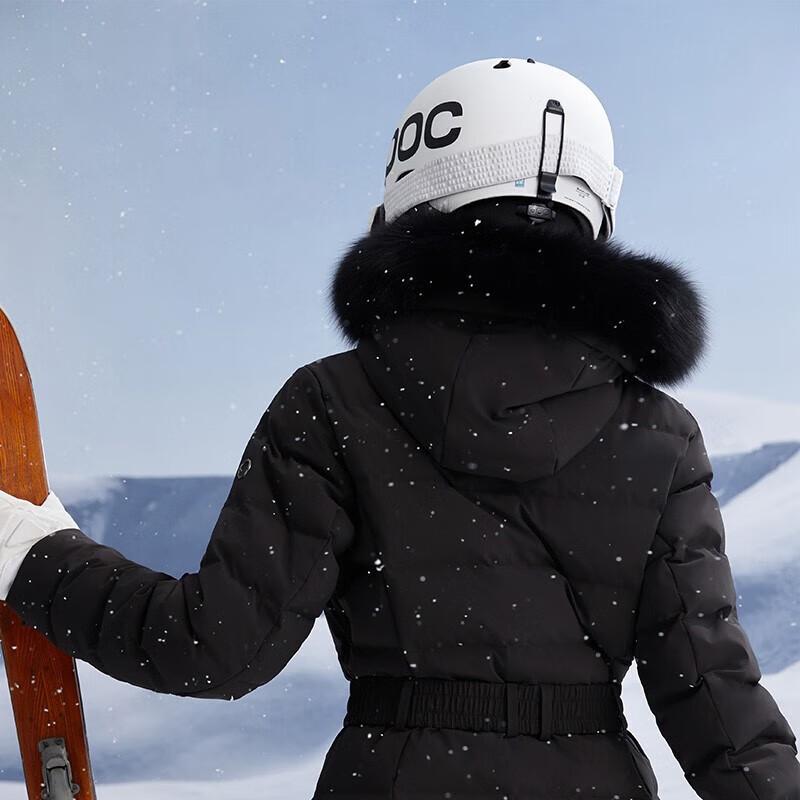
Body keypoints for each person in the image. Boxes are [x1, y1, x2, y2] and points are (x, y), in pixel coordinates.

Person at [1, 56, 797, 800]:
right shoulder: (659, 433)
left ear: (408, 198)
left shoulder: (334, 400)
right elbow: (719, 711)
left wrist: (34, 557)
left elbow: (214, 647)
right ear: (597, 207)